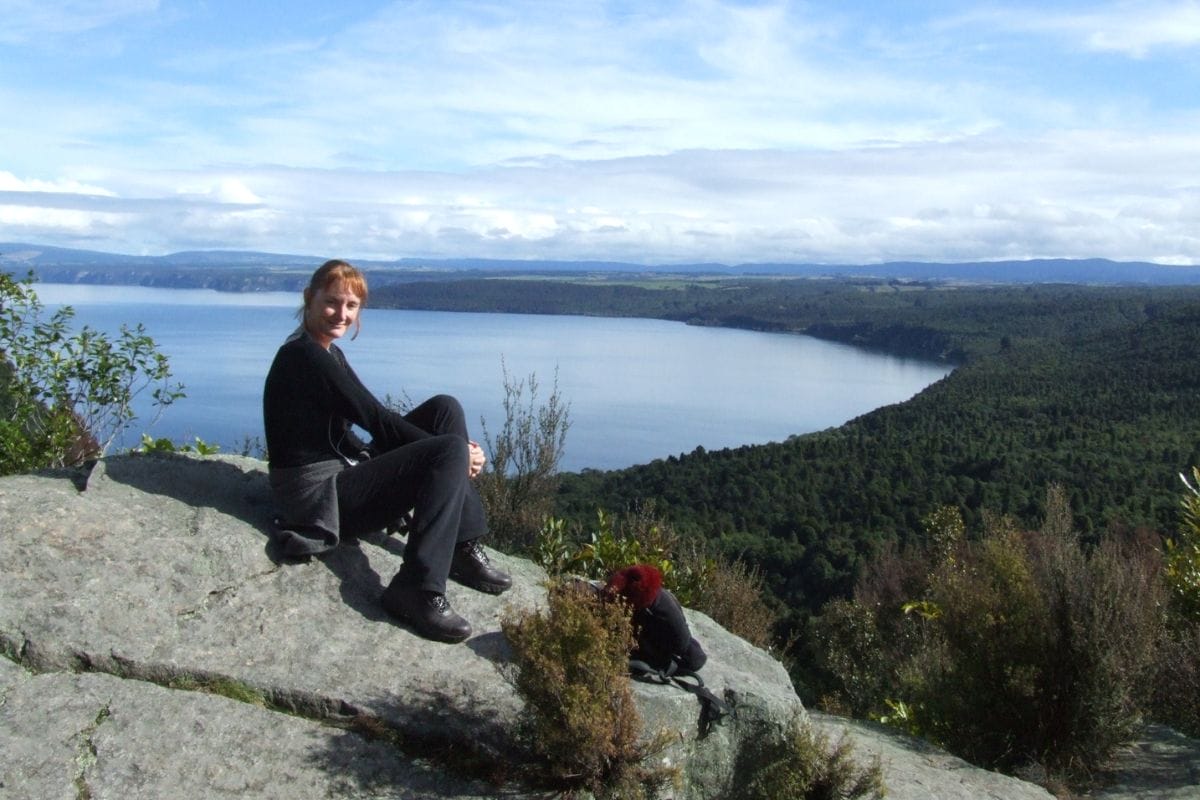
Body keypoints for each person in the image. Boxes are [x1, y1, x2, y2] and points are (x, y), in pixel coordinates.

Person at [262, 259, 510, 644]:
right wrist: (458, 452)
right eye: (332, 302)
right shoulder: (304, 357)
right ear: (309, 299)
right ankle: (416, 588)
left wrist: (455, 450)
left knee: (444, 408)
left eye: (351, 306)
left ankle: (460, 546)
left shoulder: (325, 352)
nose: (341, 314)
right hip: (318, 499)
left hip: (343, 471)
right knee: (445, 451)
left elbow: (374, 415)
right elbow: (375, 418)